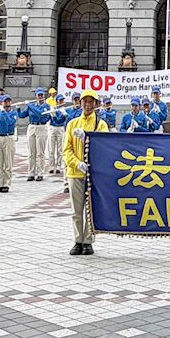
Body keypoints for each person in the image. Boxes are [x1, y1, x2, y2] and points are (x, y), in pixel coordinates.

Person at [64, 90, 111, 256]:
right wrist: (77, 163)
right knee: (76, 210)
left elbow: (104, 147)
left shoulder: (101, 124)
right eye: (85, 101)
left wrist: (87, 138)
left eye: (91, 102)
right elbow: (66, 150)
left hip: (93, 174)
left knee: (90, 210)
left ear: (96, 104)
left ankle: (88, 241)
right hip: (75, 173)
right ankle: (78, 240)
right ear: (80, 103)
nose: (88, 105)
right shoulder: (72, 124)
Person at [19, 87, 51, 182]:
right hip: (32, 127)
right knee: (31, 152)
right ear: (36, 96)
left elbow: (40, 114)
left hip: (42, 127)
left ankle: (40, 173)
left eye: (41, 95)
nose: (40, 96)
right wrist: (18, 108)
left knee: (40, 152)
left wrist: (29, 105)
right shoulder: (32, 105)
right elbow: (22, 115)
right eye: (38, 95)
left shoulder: (46, 106)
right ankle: (31, 173)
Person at [0, 94, 20, 193]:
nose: (7, 103)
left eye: (8, 101)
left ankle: (6, 183)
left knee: (8, 162)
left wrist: (3, 112)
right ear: (1, 103)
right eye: (5, 102)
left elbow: (10, 122)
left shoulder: (13, 113)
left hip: (9, 137)